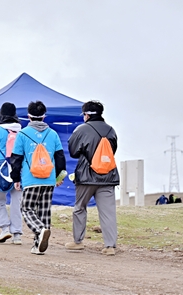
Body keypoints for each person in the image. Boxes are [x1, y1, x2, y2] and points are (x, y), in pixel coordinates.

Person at [10, 101, 66, 255]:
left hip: (30, 179)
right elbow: (60, 157)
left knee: (26, 208)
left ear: (28, 116)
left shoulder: (22, 134)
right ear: (44, 116)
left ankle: (40, 230)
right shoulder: (53, 134)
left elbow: (16, 158)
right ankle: (38, 245)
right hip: (49, 179)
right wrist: (59, 177)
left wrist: (16, 179)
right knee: (44, 211)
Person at [65, 100, 118, 256]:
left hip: (87, 176)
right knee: (108, 211)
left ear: (86, 115)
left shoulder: (81, 129)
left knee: (80, 208)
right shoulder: (111, 130)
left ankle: (78, 242)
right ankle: (110, 246)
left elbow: (73, 152)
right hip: (108, 176)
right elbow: (112, 151)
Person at [0, 102, 23, 244]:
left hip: (1, 168)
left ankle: (4, 229)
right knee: (16, 201)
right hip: (19, 169)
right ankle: (17, 234)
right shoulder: (21, 130)